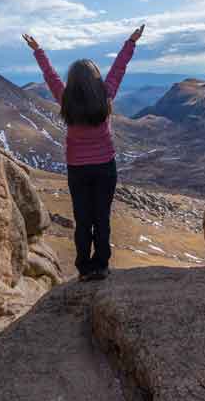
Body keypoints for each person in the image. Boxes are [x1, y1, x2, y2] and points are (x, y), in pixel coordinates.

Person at [23, 25, 144, 282]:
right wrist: (131, 42)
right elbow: (119, 68)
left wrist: (38, 50)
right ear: (95, 78)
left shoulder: (65, 98)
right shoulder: (105, 94)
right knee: (102, 217)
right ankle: (101, 266)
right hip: (105, 167)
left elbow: (50, 75)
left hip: (77, 169)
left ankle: (84, 268)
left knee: (83, 218)